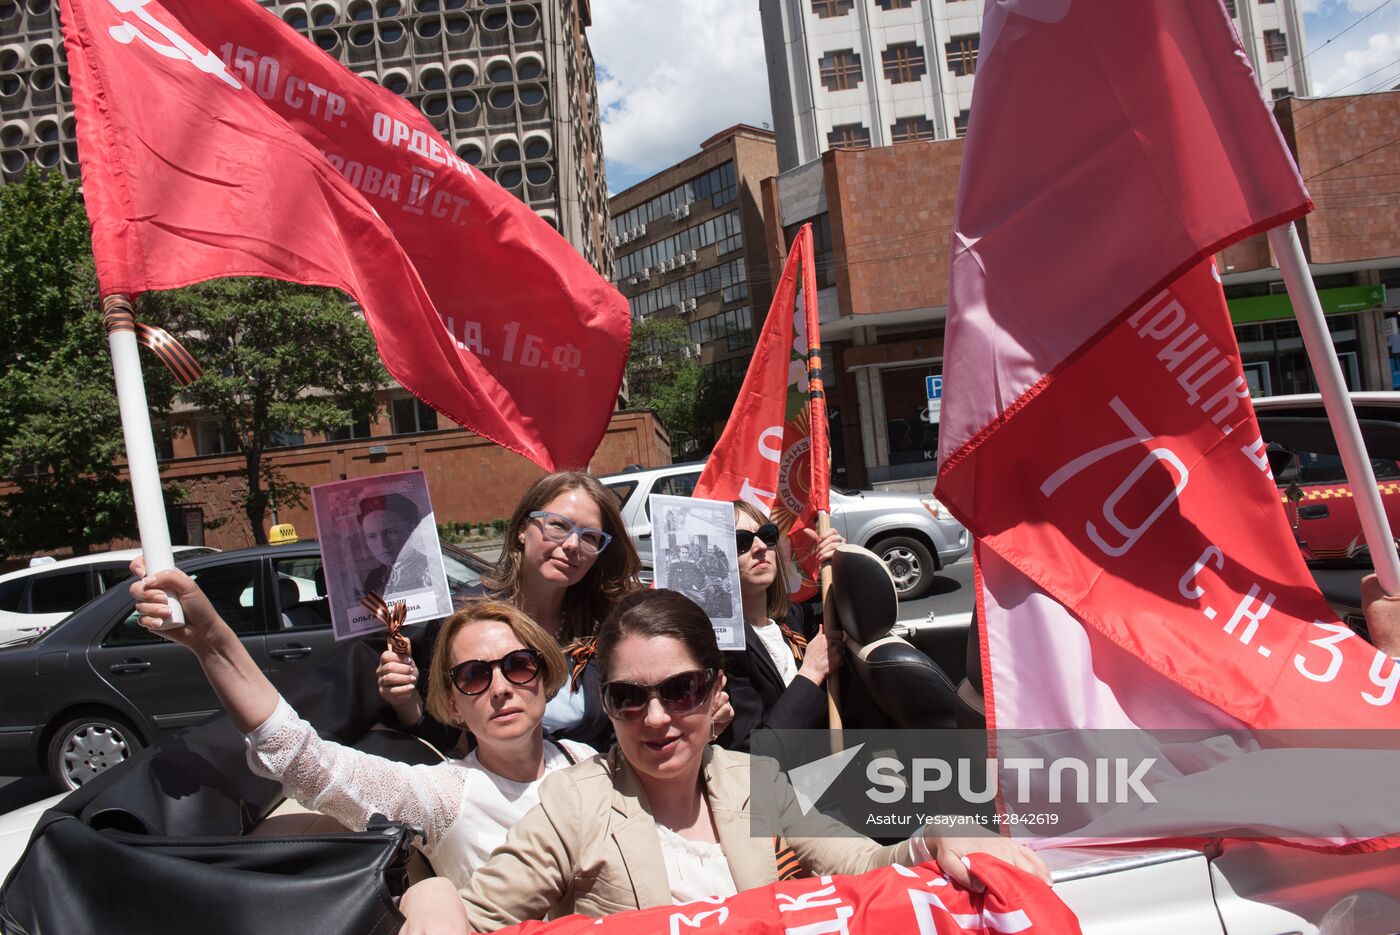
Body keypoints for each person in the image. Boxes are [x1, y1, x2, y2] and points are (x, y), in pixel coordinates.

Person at [397, 589, 1049, 933]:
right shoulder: (575, 801)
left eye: (680, 690)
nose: (656, 718)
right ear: (608, 703)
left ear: (714, 691)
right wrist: (428, 893)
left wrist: (934, 837)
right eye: (629, 697)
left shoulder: (755, 780)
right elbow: (473, 918)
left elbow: (863, 865)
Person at [126, 558, 595, 890]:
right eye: (474, 675)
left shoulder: (588, 762)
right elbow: (303, 760)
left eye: (517, 665)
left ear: (545, 676)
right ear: (453, 706)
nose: (500, 687)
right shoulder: (442, 795)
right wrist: (211, 640)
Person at [376, 471, 738, 753]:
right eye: (558, 526)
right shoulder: (464, 620)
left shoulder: (612, 625)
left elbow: (631, 727)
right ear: (522, 530)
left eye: (590, 537)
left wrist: (696, 717)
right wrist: (405, 701)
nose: (572, 545)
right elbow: (441, 735)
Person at [724, 501, 844, 750]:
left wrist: (840, 564)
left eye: (767, 535)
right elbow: (755, 751)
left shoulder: (793, 618)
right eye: (741, 542)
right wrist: (810, 673)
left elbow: (853, 620)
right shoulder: (724, 647)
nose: (760, 547)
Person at [358, 492, 433, 597]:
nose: (382, 544)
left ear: (412, 530)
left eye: (391, 532)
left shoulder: (430, 569)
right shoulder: (374, 579)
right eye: (372, 536)